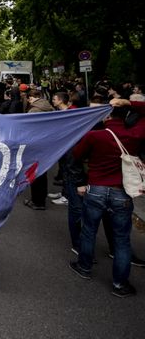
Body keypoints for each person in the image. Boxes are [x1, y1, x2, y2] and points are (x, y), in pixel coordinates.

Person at [69, 102, 145, 297]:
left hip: (95, 189)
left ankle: (84, 266)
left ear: (106, 117)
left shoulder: (94, 136)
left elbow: (75, 155)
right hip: (122, 191)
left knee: (89, 231)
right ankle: (120, 284)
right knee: (122, 239)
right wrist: (130, 103)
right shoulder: (135, 135)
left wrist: (80, 181)